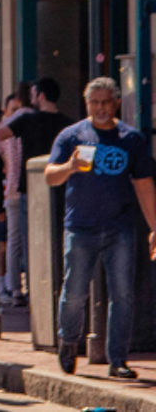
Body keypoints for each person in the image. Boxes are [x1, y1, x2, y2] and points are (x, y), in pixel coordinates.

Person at [44, 78, 156, 379]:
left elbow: (144, 184)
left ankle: (117, 358)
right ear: (86, 103)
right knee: (75, 292)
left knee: (122, 295)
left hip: (119, 227)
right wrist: (68, 167)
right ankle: (68, 342)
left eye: (106, 101)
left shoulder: (130, 138)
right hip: (80, 227)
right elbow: (49, 176)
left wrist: (154, 226)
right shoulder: (72, 136)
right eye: (94, 102)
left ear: (116, 102)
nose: (100, 108)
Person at [0, 78, 69, 306]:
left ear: (40, 95)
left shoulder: (27, 120)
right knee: (58, 240)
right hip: (62, 190)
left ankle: (35, 293)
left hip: (31, 190)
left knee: (31, 243)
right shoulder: (68, 125)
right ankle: (56, 289)